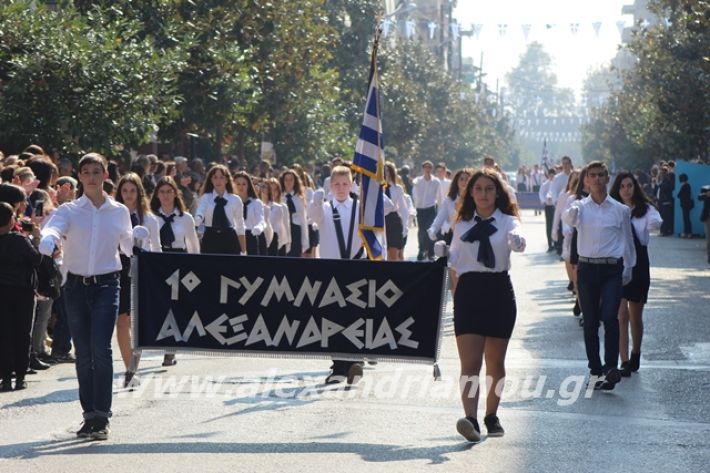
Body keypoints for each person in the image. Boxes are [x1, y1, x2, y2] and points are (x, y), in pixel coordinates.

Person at [39, 152, 148, 440]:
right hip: (75, 286)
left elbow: (126, 247)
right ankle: (89, 414)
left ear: (105, 175)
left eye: (96, 171)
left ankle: (102, 416)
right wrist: (49, 239)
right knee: (83, 352)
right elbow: (52, 226)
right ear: (80, 176)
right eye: (85, 172)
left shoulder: (118, 211)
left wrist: (136, 236)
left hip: (107, 284)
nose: (91, 176)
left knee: (101, 347)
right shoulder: (70, 210)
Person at [449, 168, 526, 442]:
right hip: (469, 292)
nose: (483, 194)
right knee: (469, 362)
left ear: (498, 192)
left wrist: (517, 242)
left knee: (495, 362)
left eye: (489, 189)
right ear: (470, 192)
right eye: (478, 189)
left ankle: (491, 415)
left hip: (498, 293)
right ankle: (470, 419)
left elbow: (518, 239)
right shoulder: (462, 224)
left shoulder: (507, 221)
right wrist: (443, 254)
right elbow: (455, 257)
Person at [563, 161, 636, 391]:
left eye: (600, 175)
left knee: (610, 316)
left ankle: (610, 367)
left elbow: (628, 241)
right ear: (585, 180)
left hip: (611, 269)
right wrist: (573, 208)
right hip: (586, 269)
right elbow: (568, 220)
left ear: (607, 178)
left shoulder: (620, 210)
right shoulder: (579, 208)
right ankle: (595, 369)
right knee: (591, 322)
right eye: (591, 175)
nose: (596, 179)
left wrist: (628, 268)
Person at [308, 166, 368, 384]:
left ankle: (355, 361)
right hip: (331, 269)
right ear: (330, 186)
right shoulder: (324, 208)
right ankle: (338, 367)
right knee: (333, 317)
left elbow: (386, 211)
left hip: (357, 267)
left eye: (345, 184)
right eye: (336, 184)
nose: (341, 188)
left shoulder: (360, 207)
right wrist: (315, 201)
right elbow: (312, 217)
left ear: (351, 185)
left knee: (355, 314)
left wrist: (367, 195)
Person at [610, 172, 662, 376]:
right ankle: (623, 361)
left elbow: (656, 222)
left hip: (639, 265)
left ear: (635, 187)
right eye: (622, 186)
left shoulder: (646, 209)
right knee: (620, 314)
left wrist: (654, 224)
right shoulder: (613, 209)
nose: (626, 189)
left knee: (635, 315)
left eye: (629, 185)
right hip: (618, 264)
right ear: (617, 189)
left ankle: (636, 353)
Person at [115, 174, 162, 386]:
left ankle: (134, 365)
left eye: (132, 191)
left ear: (139, 193)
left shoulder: (149, 219)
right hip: (118, 268)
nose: (128, 195)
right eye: (124, 191)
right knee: (122, 320)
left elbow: (157, 248)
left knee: (137, 322)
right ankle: (129, 369)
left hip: (141, 269)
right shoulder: (114, 215)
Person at [0, 202, 43, 391]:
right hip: (23, 291)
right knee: (23, 333)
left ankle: (6, 377)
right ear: (11, 220)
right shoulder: (19, 240)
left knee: (4, 333)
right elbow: (37, 259)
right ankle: (20, 376)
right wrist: (36, 238)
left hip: (2, 291)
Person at [428, 168, 472, 292]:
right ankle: (456, 305)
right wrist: (433, 229)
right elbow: (441, 216)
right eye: (461, 179)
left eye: (467, 179)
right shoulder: (449, 200)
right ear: (456, 181)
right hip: (453, 238)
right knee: (453, 270)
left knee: (469, 272)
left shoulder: (475, 200)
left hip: (471, 239)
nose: (464, 182)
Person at [195, 165, 246, 255]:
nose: (218, 181)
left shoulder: (235, 199)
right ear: (211, 180)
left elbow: (240, 225)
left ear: (227, 180)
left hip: (230, 239)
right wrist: (197, 220)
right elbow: (200, 212)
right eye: (215, 177)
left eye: (222, 177)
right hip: (210, 239)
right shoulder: (206, 197)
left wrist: (243, 250)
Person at [412, 161, 441, 261]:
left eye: (429, 167)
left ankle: (431, 251)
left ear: (431, 169)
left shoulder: (436, 181)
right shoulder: (418, 181)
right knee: (421, 231)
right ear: (423, 169)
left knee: (430, 230)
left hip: (431, 208)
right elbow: (414, 191)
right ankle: (421, 249)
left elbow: (439, 196)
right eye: (425, 167)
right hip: (420, 209)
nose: (427, 169)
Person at [233, 171, 267, 255]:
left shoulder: (256, 202)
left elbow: (261, 220)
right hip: (234, 237)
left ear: (249, 185)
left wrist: (258, 228)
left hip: (251, 236)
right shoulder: (230, 201)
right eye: (238, 184)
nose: (241, 187)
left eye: (244, 184)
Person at [279, 169, 309, 257]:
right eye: (286, 180)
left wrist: (305, 243)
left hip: (295, 231)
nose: (288, 182)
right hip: (283, 231)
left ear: (295, 181)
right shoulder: (279, 197)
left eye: (291, 179)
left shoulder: (299, 198)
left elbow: (303, 221)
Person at [384, 162, 409, 261]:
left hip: (393, 219)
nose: (386, 173)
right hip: (381, 220)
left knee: (394, 252)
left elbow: (404, 208)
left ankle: (394, 275)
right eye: (384, 171)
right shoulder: (376, 188)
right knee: (383, 253)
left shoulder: (397, 188)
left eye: (388, 171)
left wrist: (405, 225)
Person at [265, 177, 291, 256]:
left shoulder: (283, 207)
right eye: (270, 189)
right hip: (265, 239)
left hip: (279, 241)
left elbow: (286, 225)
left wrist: (288, 243)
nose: (273, 192)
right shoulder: (261, 205)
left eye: (275, 189)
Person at [539, 168, 556, 251]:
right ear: (548, 175)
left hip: (555, 206)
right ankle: (550, 244)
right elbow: (541, 193)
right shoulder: (545, 184)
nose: (552, 176)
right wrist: (544, 201)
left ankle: (556, 243)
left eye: (553, 175)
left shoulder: (556, 184)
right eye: (550, 175)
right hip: (548, 207)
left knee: (555, 225)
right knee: (549, 225)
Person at [677, 174, 693, 238]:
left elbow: (679, 195)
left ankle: (688, 233)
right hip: (686, 205)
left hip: (685, 205)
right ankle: (687, 233)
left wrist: (682, 188)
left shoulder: (685, 186)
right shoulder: (687, 186)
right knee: (686, 219)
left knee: (686, 219)